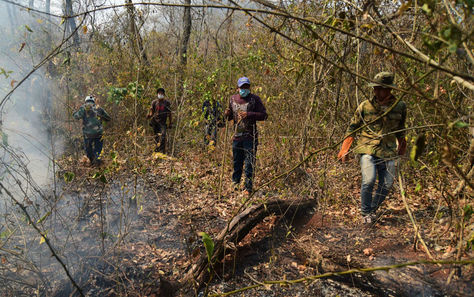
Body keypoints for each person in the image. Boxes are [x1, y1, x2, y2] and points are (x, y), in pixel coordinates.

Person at [337, 71, 407, 224]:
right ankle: (366, 213)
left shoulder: (400, 106)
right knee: (369, 180)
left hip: (388, 151)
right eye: (375, 88)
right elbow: (352, 128)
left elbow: (401, 129)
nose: (377, 91)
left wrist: (402, 149)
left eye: (381, 88)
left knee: (387, 184)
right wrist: (344, 149)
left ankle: (372, 209)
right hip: (367, 148)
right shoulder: (365, 106)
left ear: (389, 90)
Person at [225, 77, 267, 194]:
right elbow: (230, 118)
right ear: (237, 88)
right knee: (237, 162)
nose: (244, 89)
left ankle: (248, 188)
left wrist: (249, 114)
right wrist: (227, 114)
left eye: (246, 87)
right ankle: (235, 185)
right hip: (236, 136)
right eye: (242, 87)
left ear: (249, 87)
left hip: (250, 137)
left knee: (249, 163)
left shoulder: (254, 99)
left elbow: (264, 115)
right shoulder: (232, 99)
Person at [73, 95, 111, 166]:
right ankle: (97, 162)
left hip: (88, 134)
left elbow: (76, 116)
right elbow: (108, 118)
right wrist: (101, 117)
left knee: (88, 150)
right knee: (98, 149)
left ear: (85, 102)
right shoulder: (99, 108)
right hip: (98, 133)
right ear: (94, 101)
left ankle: (92, 161)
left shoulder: (83, 108)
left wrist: (74, 111)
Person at [147, 88, 172, 153]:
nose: (160, 95)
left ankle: (162, 151)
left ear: (164, 94)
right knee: (156, 137)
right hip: (155, 122)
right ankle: (157, 150)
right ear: (157, 94)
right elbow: (151, 112)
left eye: (162, 93)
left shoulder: (167, 103)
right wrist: (149, 115)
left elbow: (169, 114)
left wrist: (170, 123)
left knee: (163, 136)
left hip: (163, 123)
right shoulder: (154, 102)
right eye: (159, 93)